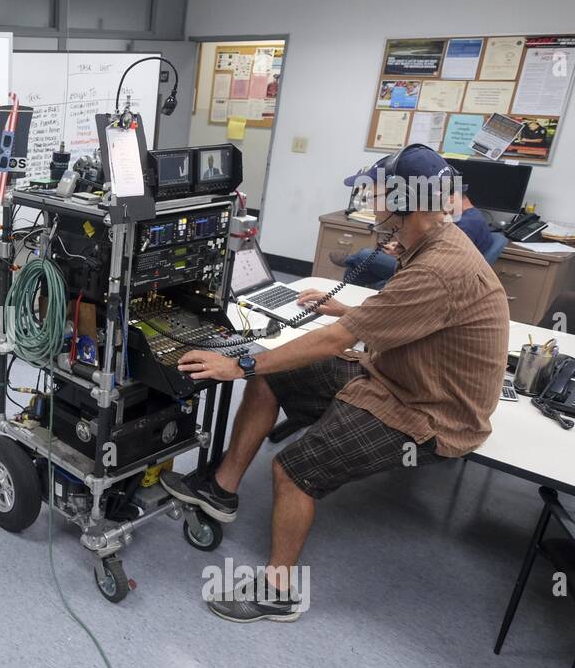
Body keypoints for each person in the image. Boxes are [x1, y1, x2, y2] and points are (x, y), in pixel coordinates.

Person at [164, 144, 509, 623]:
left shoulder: (439, 268)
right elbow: (411, 318)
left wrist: (240, 366)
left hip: (429, 413)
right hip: (395, 376)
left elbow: (336, 342)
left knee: (293, 470)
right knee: (277, 373)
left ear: (407, 202)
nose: (371, 200)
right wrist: (349, 309)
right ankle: (221, 489)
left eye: (380, 192)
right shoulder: (431, 241)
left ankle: (277, 591)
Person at [332, 159, 494, 288]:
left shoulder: (465, 226)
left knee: (365, 257)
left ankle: (352, 259)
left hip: (425, 274)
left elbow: (439, 259)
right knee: (358, 268)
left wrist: (403, 252)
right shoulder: (467, 220)